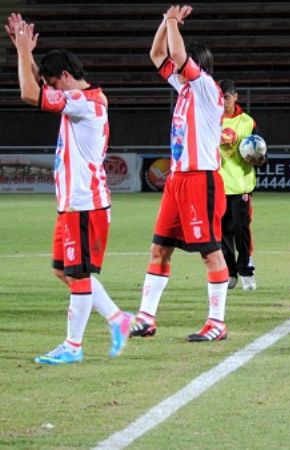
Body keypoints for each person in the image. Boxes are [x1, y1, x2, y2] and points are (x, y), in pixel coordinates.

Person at [5, 13, 133, 364]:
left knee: (78, 274)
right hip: (73, 203)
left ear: (65, 77)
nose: (52, 91)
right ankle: (118, 318)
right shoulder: (79, 99)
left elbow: (30, 94)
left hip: (85, 203)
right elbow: (38, 87)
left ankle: (73, 347)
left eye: (53, 83)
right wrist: (26, 50)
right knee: (64, 270)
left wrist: (20, 50)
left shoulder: (85, 103)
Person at [129, 5, 229, 342]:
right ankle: (146, 317)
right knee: (159, 248)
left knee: (209, 251)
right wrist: (163, 21)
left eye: (183, 63)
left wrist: (173, 22)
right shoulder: (184, 88)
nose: (175, 67)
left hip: (201, 179)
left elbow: (174, 52)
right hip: (177, 180)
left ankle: (217, 322)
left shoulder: (204, 86)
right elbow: (157, 53)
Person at [219, 79, 263, 291]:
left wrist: (258, 158)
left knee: (240, 229)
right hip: (218, 184)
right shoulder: (211, 119)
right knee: (221, 231)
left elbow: (260, 150)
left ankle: (246, 271)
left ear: (235, 97)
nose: (223, 101)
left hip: (241, 185)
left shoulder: (247, 122)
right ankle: (230, 273)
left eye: (226, 97)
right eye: (220, 97)